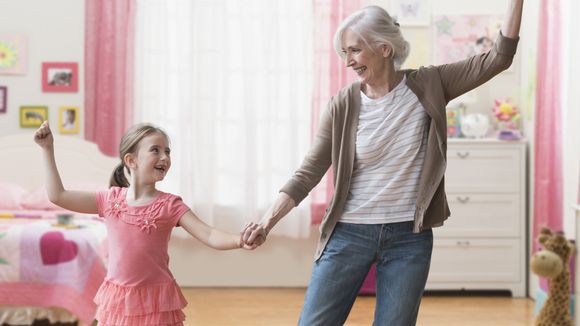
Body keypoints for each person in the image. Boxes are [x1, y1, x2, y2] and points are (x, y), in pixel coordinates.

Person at [242, 1, 523, 325]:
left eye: (355, 50)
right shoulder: (343, 105)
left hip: (408, 238)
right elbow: (308, 173)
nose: (348, 61)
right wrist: (267, 221)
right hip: (348, 234)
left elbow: (499, 57)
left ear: (384, 48)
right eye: (345, 52)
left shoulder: (430, 84)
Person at [33, 121, 265, 326]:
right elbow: (58, 195)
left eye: (168, 151)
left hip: (156, 302)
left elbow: (210, 234)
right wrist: (47, 149)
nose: (165, 157)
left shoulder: (170, 205)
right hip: (118, 300)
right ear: (131, 160)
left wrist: (239, 240)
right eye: (156, 150)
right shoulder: (109, 199)